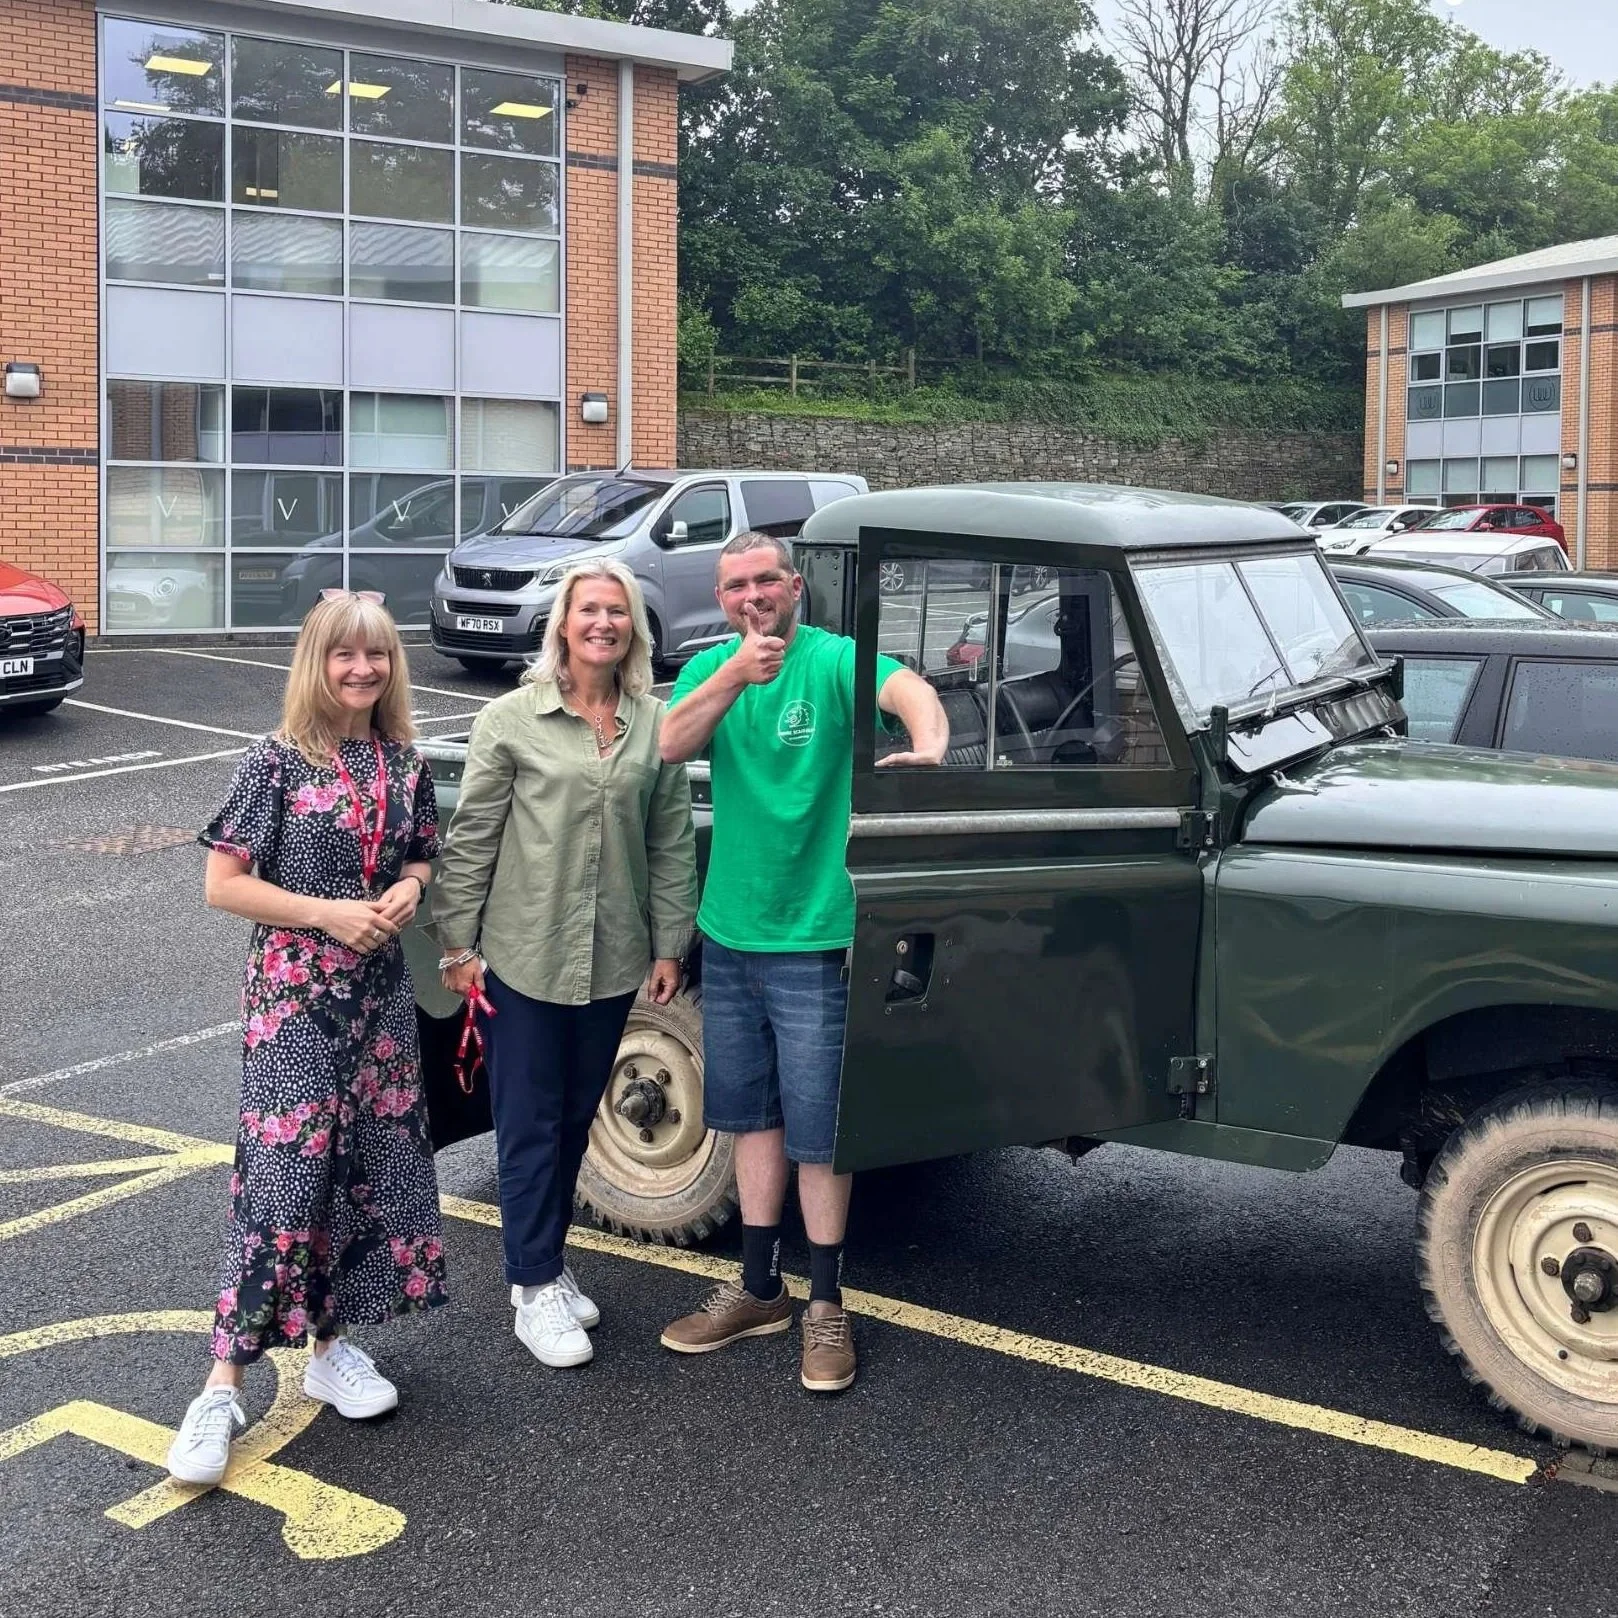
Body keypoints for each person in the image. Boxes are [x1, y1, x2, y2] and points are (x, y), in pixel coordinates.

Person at [658, 530, 948, 1392]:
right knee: (751, 1118)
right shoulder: (712, 670)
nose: (752, 597)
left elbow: (911, 692)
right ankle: (757, 1289)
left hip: (819, 935)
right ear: (724, 598)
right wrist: (730, 675)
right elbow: (668, 744)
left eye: (764, 582)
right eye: (734, 586)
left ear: (792, 587)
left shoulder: (833, 661)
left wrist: (928, 745)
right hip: (733, 931)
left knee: (822, 1130)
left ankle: (825, 1302)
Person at [167, 592, 446, 1487]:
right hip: (294, 1004)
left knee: (363, 1173)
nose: (362, 670)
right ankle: (221, 1385)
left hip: (380, 1006)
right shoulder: (276, 762)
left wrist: (409, 887)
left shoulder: (403, 763)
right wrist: (325, 913)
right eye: (344, 656)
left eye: (376, 656)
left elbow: (421, 853)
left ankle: (330, 1350)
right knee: (283, 1186)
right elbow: (223, 884)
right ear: (316, 662)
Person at [432, 558, 697, 1369]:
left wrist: (667, 944)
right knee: (527, 1124)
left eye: (617, 612)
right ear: (562, 624)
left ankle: (540, 1268)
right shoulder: (511, 721)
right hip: (523, 955)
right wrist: (457, 944)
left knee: (578, 1119)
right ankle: (534, 1285)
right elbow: (472, 837)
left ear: (633, 629)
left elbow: (670, 840)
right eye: (589, 610)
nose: (603, 623)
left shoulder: (657, 724)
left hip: (614, 957)